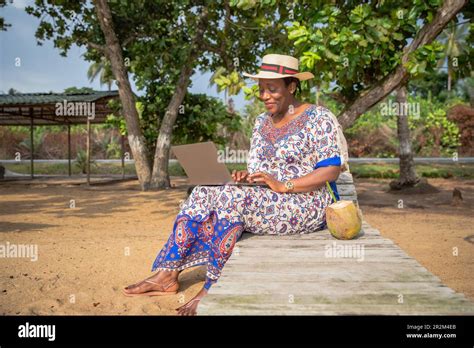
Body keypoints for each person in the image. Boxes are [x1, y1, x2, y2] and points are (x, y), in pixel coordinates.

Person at [123, 54, 343, 315]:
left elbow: (331, 170)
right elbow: (260, 169)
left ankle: (213, 286)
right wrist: (246, 178)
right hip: (267, 196)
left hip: (305, 200)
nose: (265, 96)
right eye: (261, 89)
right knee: (204, 191)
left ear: (291, 86)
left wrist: (285, 185)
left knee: (232, 199)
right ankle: (168, 274)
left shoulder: (319, 117)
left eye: (272, 89)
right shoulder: (261, 122)